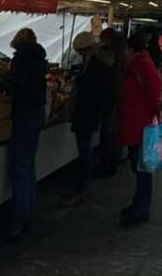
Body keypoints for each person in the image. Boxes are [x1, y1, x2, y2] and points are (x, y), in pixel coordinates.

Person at [118, 32, 162, 227]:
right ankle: (138, 204)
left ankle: (141, 210)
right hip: (136, 123)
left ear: (130, 48)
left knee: (142, 169)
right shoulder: (137, 63)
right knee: (139, 168)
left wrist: (154, 111)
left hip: (141, 125)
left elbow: (154, 88)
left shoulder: (140, 63)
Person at [62, 32, 113, 205]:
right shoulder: (96, 64)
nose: (80, 54)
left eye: (81, 51)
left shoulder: (96, 67)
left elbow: (92, 92)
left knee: (84, 151)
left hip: (87, 113)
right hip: (88, 113)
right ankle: (81, 185)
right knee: (84, 150)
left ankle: (82, 187)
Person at [7, 28, 48, 239]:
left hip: (23, 113)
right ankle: (29, 208)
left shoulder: (21, 59)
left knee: (20, 166)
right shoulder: (40, 58)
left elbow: (17, 86)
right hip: (37, 112)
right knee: (29, 163)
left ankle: (20, 215)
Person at [96, 27, 126, 176]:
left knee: (108, 132)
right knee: (112, 132)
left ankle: (106, 164)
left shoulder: (112, 56)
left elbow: (113, 79)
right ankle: (113, 162)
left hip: (112, 97)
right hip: (117, 97)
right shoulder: (121, 53)